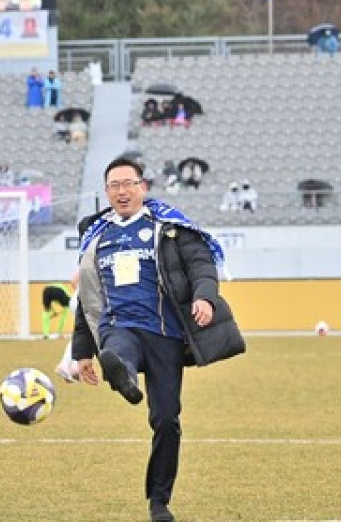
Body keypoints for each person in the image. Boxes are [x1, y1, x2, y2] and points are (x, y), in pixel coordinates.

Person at [72, 158, 245, 522]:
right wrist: (82, 352)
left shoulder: (167, 228)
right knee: (118, 346)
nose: (121, 192)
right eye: (114, 186)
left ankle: (159, 501)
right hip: (118, 325)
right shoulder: (97, 238)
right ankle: (123, 373)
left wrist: (204, 297)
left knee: (167, 420)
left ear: (142, 187)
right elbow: (87, 298)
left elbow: (201, 264)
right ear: (106, 192)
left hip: (164, 333)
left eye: (128, 184)